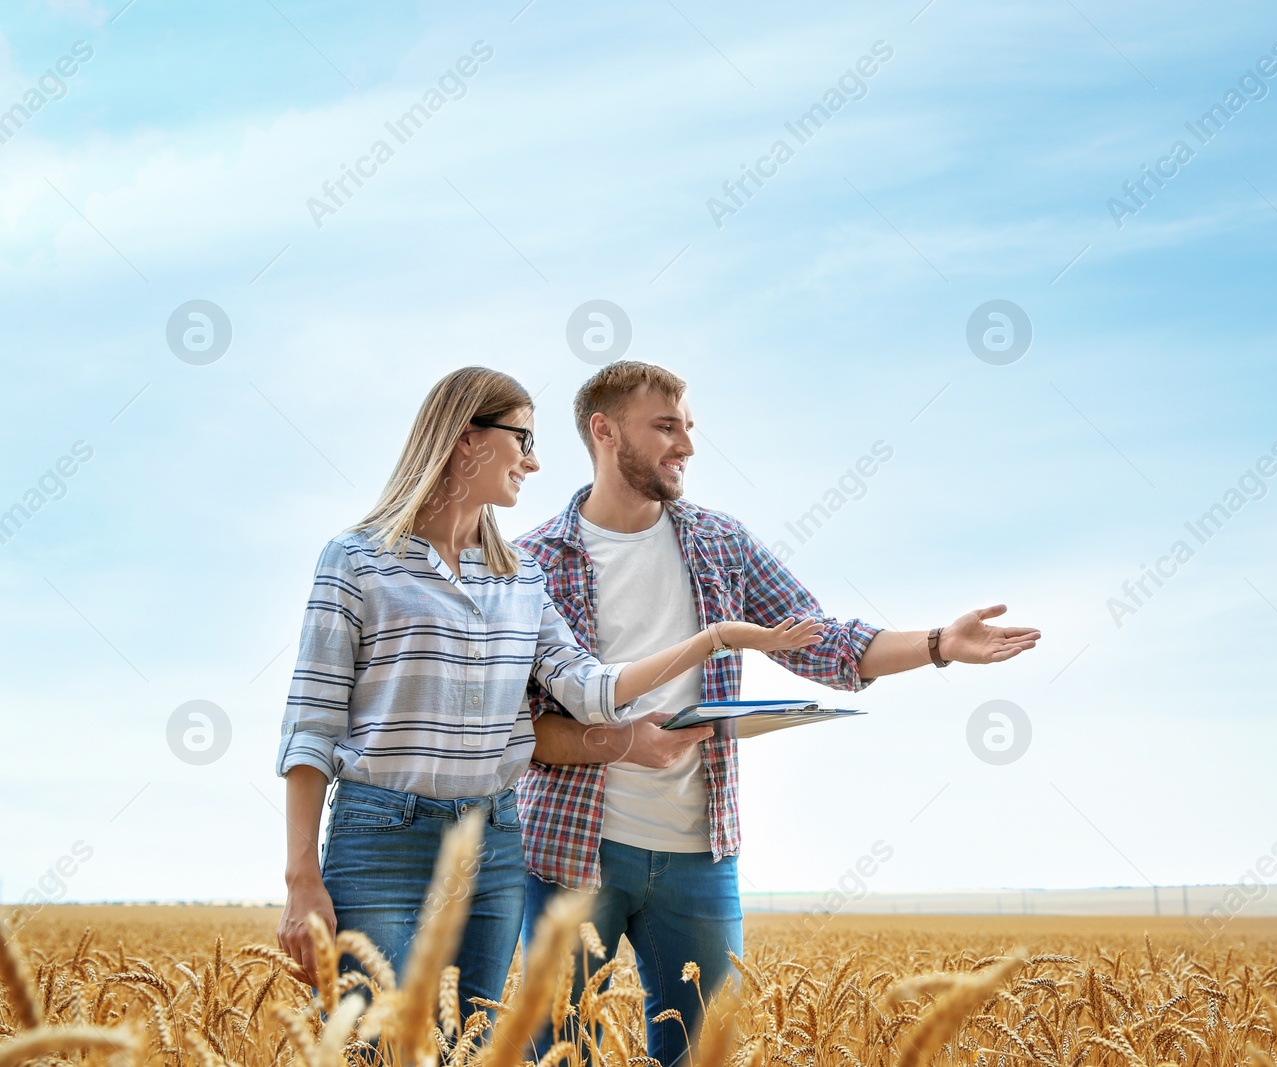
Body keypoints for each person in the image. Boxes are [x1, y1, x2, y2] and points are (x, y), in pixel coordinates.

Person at [516, 361, 1041, 1065]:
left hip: (699, 853)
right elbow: (510, 729)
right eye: (666, 427)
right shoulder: (530, 563)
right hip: (572, 850)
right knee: (553, 1050)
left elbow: (822, 641)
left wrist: (941, 643)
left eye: (689, 427)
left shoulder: (720, 543)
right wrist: (617, 741)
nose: (687, 447)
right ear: (604, 430)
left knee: (703, 1052)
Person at [272, 366, 824, 1017]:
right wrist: (301, 875)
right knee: (370, 1042)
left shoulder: (521, 577)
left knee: (473, 1042)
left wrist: (711, 640)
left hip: (495, 841)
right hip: (381, 838)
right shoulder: (356, 558)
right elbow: (312, 722)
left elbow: (590, 687)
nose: (534, 463)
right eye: (523, 440)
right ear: (466, 438)